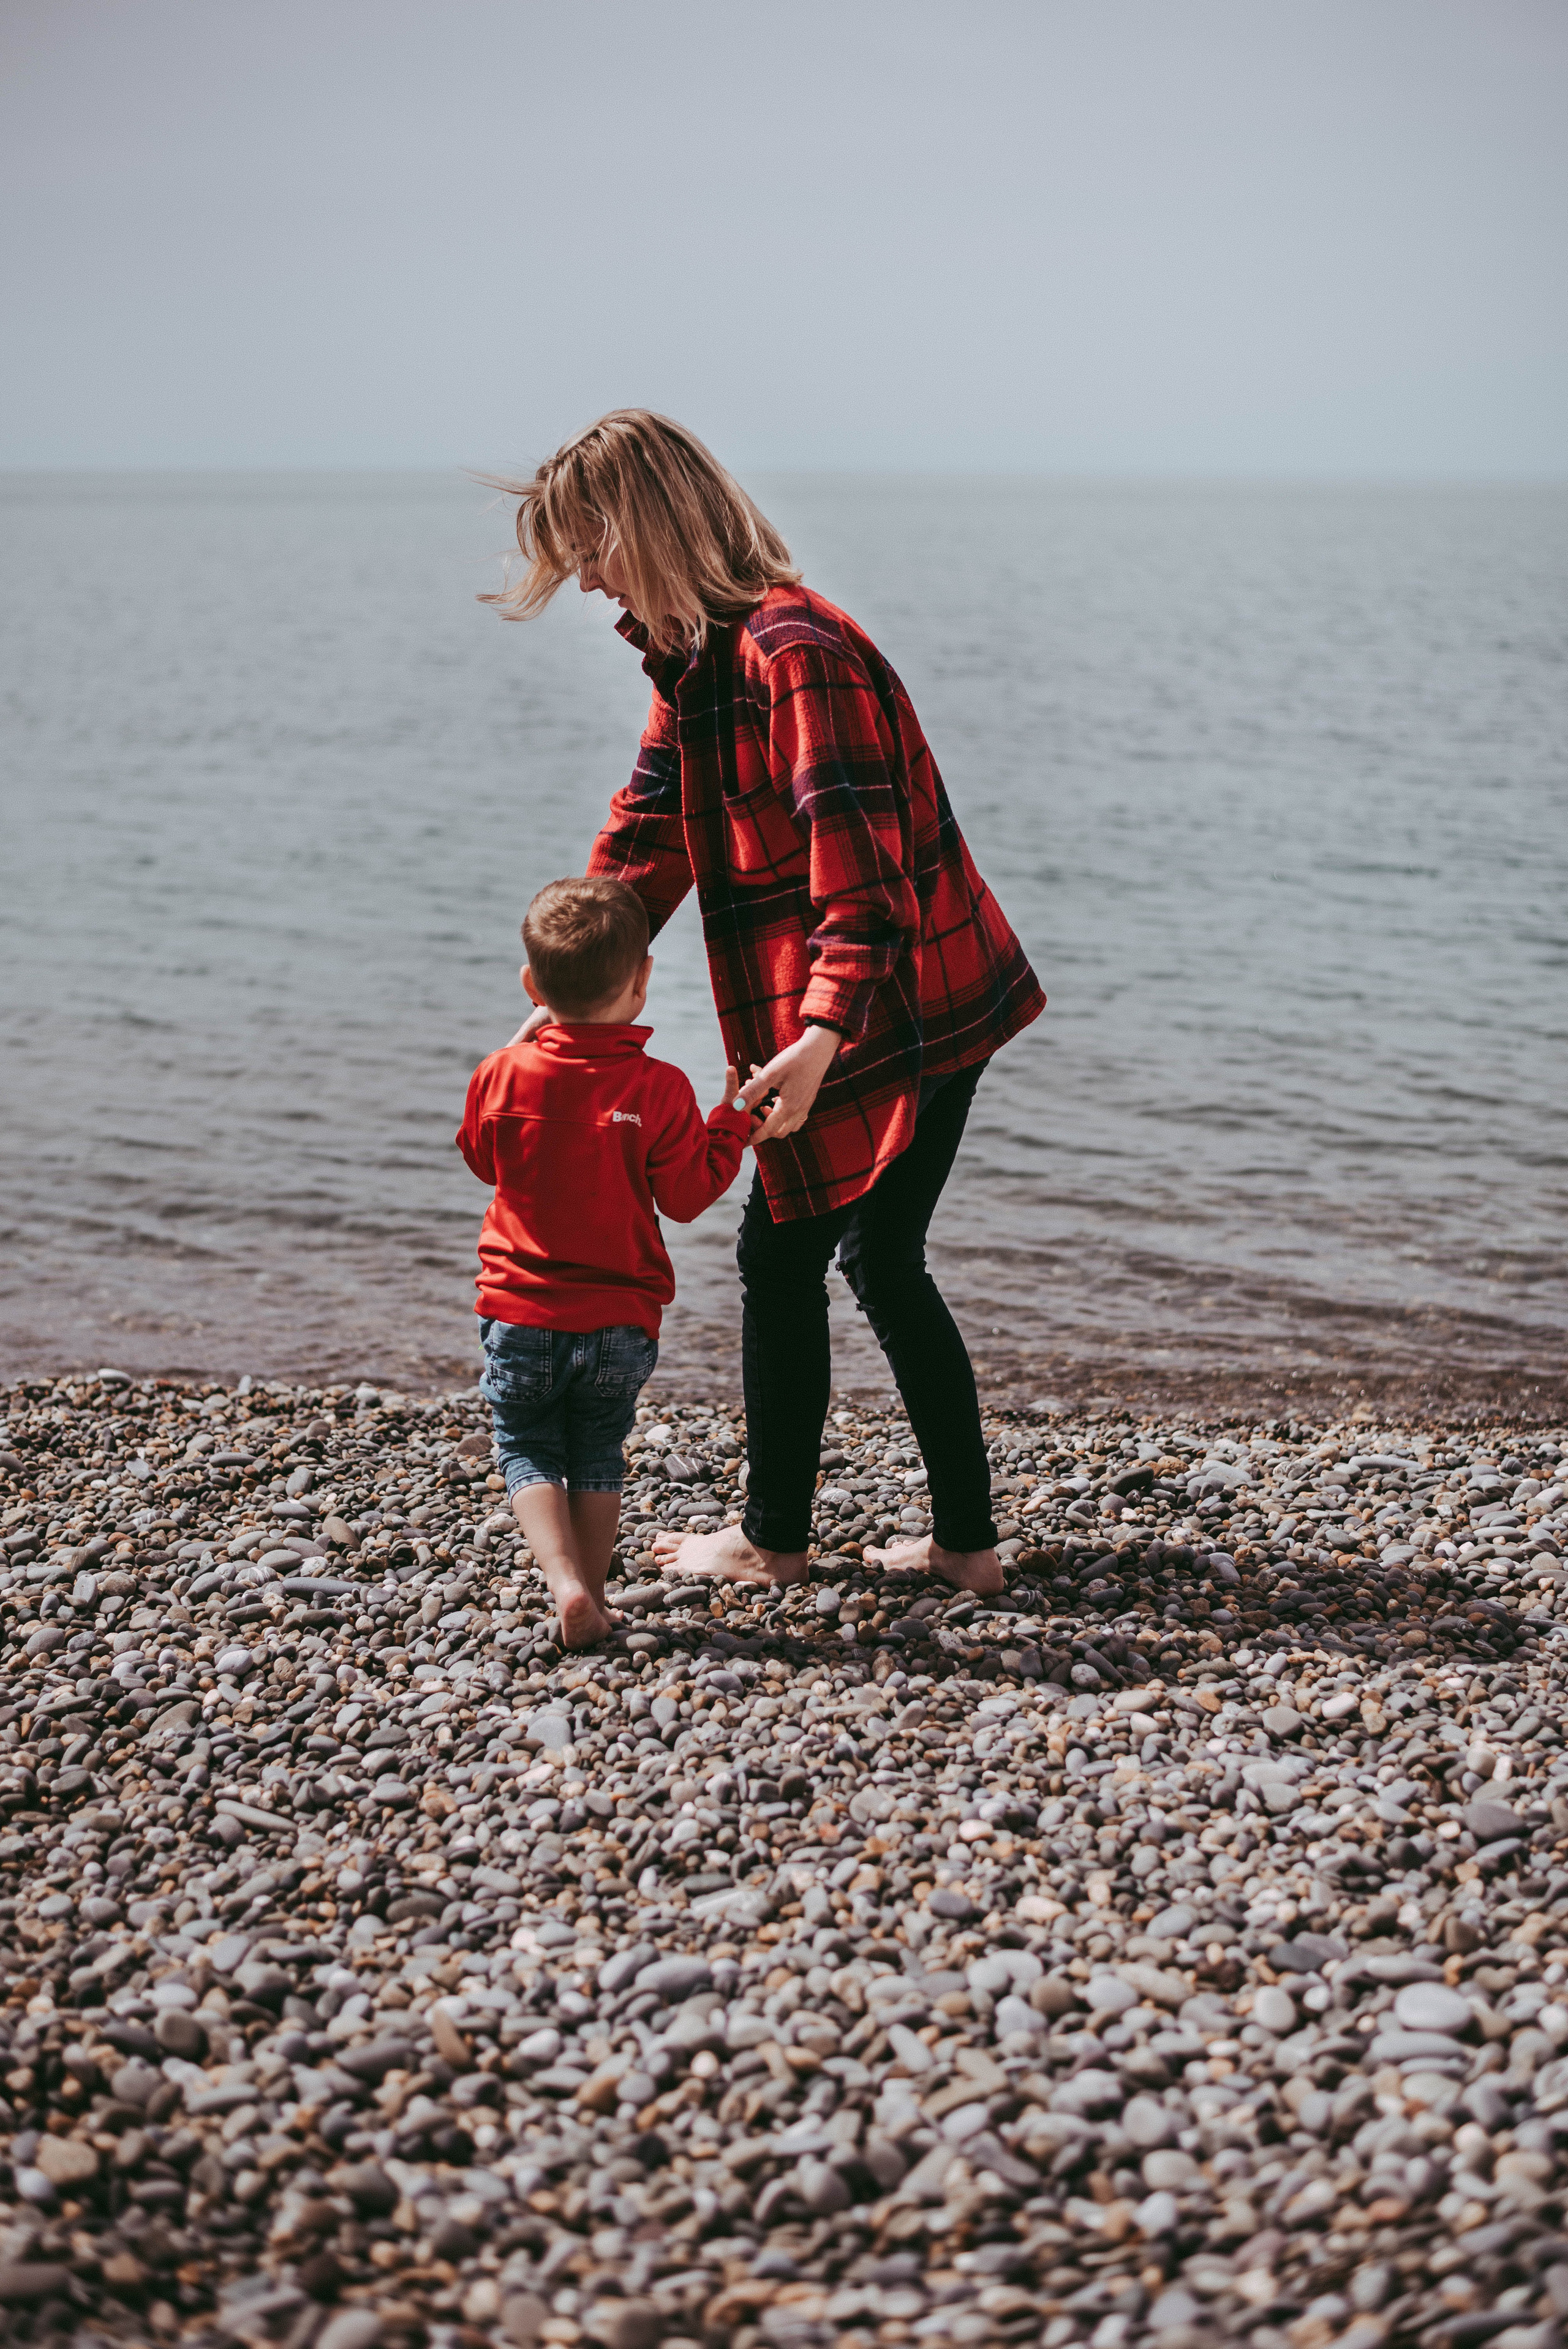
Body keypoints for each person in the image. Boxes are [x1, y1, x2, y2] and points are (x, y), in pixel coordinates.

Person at [483, 412, 1045, 1600]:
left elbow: (864, 880)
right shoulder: (691, 663)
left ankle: (775, 1541)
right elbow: (638, 849)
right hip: (871, 1005)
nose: (586, 581)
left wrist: (817, 1038)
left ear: (641, 525)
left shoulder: (793, 653)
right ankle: (965, 1550)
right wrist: (566, 1010)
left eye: (589, 549)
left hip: (906, 1005)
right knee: (882, 1262)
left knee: (789, 1254)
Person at [456, 874, 750, 1647]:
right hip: (622, 1321)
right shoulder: (659, 1087)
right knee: (596, 1452)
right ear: (643, 983)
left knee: (526, 1448)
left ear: (532, 985)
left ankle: (564, 1588)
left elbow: (482, 1158)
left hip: (520, 1312)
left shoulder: (499, 1075)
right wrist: (731, 1125)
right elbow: (686, 1197)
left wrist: (518, 1048)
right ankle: (594, 1595)